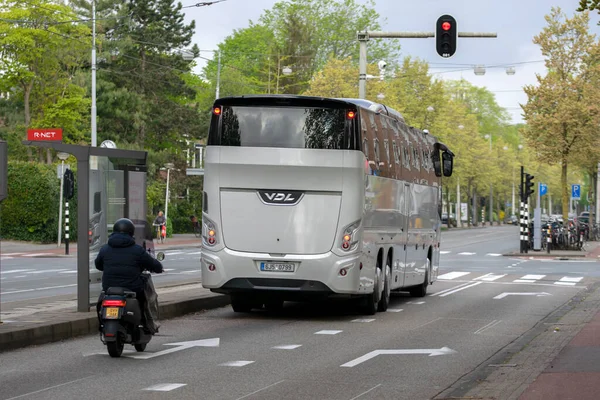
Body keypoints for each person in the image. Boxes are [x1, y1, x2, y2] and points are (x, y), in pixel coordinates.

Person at [95, 218, 164, 334]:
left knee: (101, 301)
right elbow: (152, 263)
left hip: (109, 288)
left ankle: (102, 324)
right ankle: (147, 324)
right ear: (131, 233)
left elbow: (98, 265)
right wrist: (159, 268)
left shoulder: (105, 249)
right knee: (145, 299)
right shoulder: (137, 250)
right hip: (132, 288)